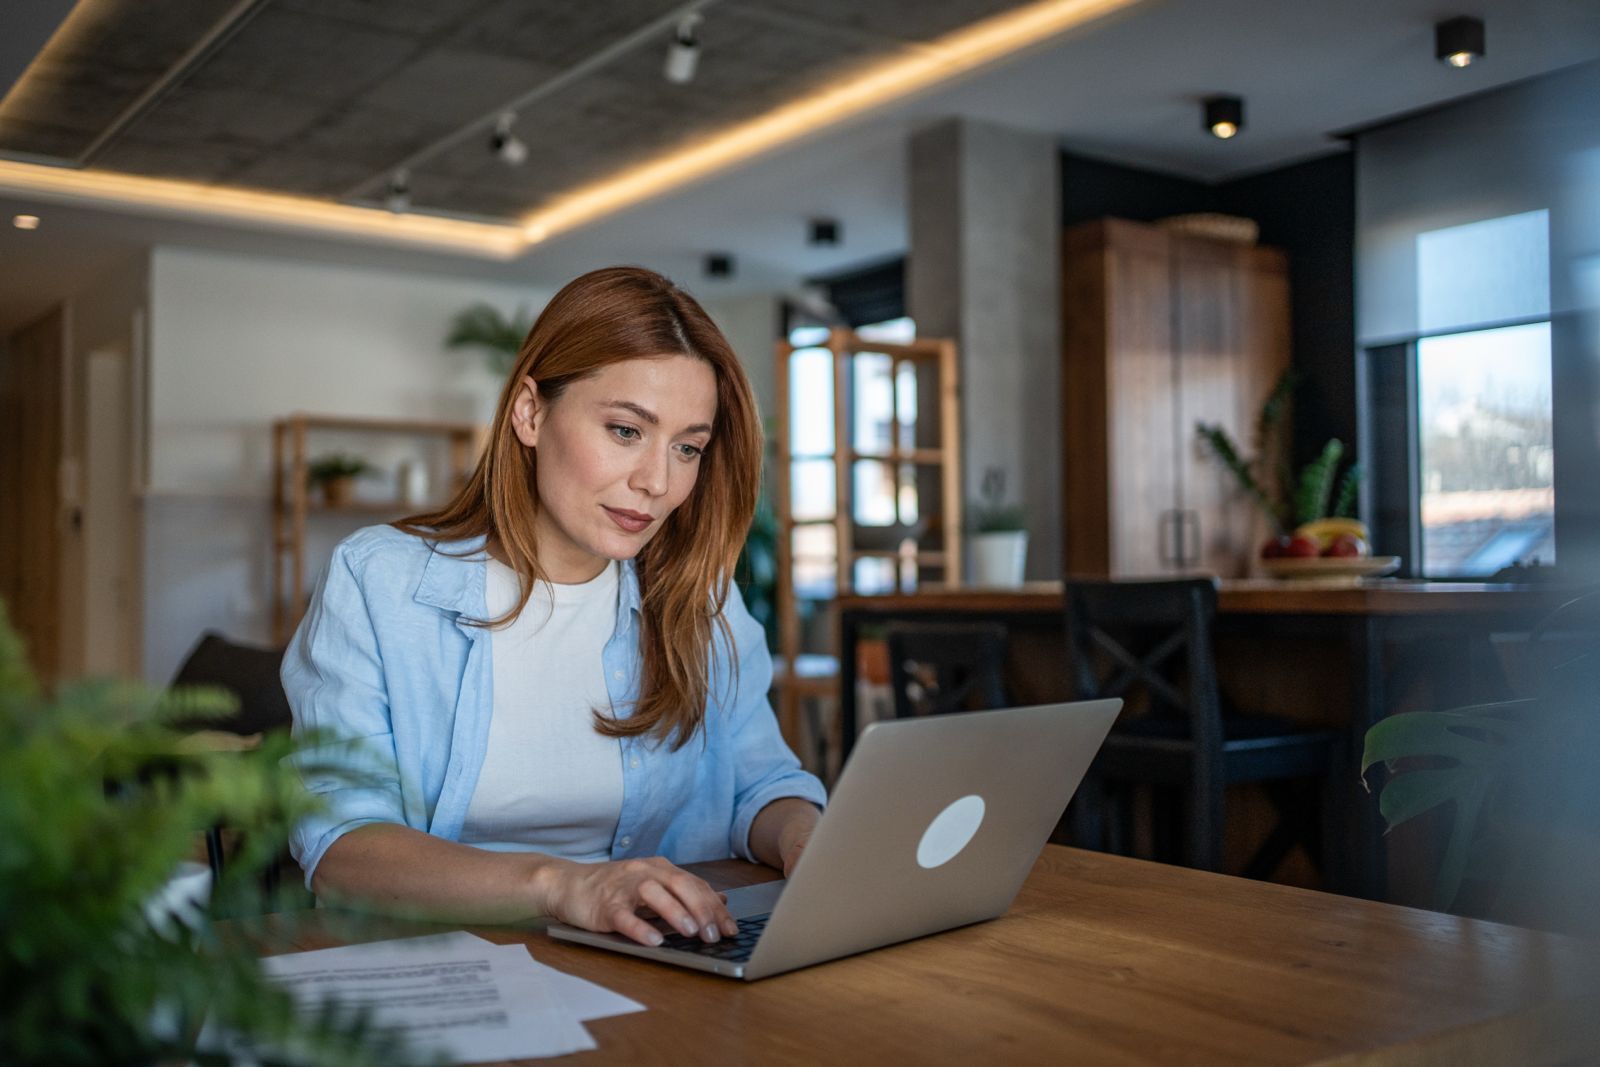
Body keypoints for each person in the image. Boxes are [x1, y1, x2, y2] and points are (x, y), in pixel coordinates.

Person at [283, 266, 825, 948]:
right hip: (448, 971)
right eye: (627, 430)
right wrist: (564, 885)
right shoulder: (379, 583)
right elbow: (342, 848)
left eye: (687, 447)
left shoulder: (699, 599)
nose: (657, 481)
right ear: (530, 412)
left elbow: (760, 785)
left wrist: (806, 834)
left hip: (659, 962)